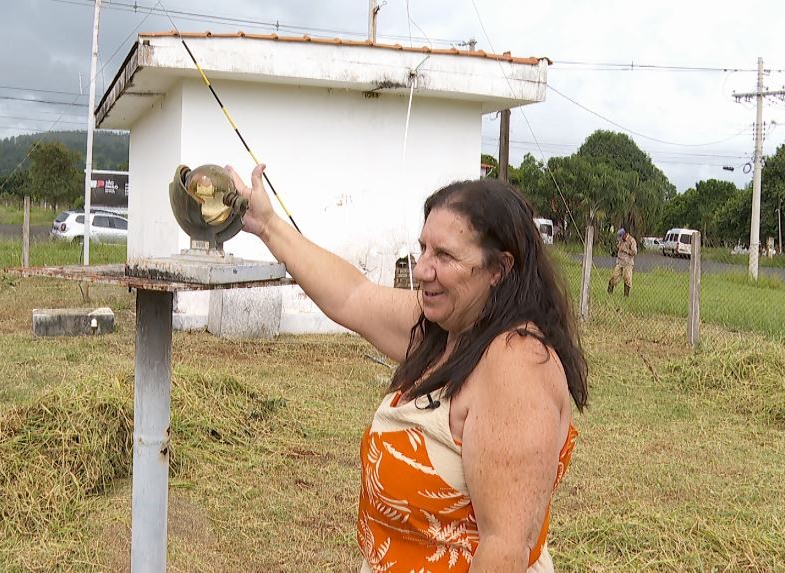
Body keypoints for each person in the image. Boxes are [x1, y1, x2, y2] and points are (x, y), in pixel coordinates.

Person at [227, 164, 588, 572]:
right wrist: (269, 225)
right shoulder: (446, 329)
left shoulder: (516, 365)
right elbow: (353, 296)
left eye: (445, 256)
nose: (422, 270)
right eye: (424, 250)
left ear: (499, 270)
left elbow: (504, 549)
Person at [608, 228, 637, 297]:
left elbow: (634, 252)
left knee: (627, 278)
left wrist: (625, 250)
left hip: (628, 263)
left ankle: (626, 296)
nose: (620, 239)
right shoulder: (621, 241)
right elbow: (618, 248)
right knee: (614, 277)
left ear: (625, 235)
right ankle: (609, 293)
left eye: (621, 237)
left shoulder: (631, 240)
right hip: (620, 262)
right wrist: (614, 251)